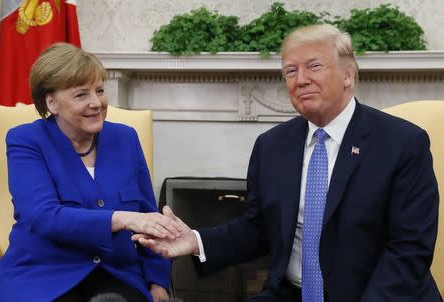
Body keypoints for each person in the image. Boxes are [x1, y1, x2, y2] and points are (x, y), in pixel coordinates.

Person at [134, 24, 442, 302]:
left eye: (314, 66)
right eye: (290, 71)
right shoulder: (272, 146)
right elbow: (257, 229)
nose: (301, 80)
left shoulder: (403, 143)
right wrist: (195, 241)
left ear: (349, 75)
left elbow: (409, 250)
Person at [0, 43, 182, 302]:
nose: (97, 103)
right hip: (42, 275)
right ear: (52, 101)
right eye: (81, 94)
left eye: (100, 90)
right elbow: (44, 216)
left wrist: (158, 282)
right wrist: (124, 218)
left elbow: (147, 217)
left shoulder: (125, 138)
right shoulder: (26, 141)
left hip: (116, 273)